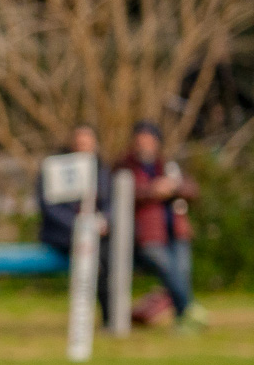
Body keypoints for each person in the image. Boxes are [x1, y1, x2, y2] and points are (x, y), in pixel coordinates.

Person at [119, 121, 205, 331]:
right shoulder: (126, 166)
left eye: (149, 140)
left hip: (176, 230)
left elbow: (192, 190)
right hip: (148, 234)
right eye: (140, 140)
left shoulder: (167, 165)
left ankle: (183, 319)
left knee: (181, 271)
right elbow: (121, 193)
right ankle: (190, 310)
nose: (144, 145)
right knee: (169, 268)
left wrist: (173, 187)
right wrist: (153, 190)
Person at [37, 124, 111, 315]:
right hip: (65, 236)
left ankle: (112, 315)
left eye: (87, 144)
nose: (83, 148)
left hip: (99, 235)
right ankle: (86, 315)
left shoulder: (103, 171)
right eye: (79, 144)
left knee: (110, 258)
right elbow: (49, 206)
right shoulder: (55, 170)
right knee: (93, 261)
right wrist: (81, 226)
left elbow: (111, 204)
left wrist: (102, 222)